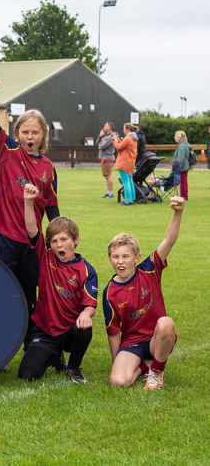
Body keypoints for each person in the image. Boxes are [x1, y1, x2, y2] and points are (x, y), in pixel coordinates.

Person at [0, 73, 59, 333]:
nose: (30, 137)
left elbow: (51, 208)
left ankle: (28, 339)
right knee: (2, 289)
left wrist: (56, 239)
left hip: (32, 241)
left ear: (43, 134)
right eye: (25, 132)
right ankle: (1, 337)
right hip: (4, 236)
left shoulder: (48, 167)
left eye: (35, 132)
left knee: (29, 291)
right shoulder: (8, 152)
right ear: (17, 133)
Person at [18, 184, 98, 383]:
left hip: (70, 330)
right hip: (45, 329)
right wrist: (28, 202)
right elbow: (31, 229)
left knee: (84, 328)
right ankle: (54, 355)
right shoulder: (45, 259)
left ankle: (73, 367)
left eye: (64, 239)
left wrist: (86, 314)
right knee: (28, 374)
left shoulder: (86, 270)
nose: (59, 245)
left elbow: (89, 304)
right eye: (54, 241)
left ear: (75, 241)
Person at [104, 196, 185, 390]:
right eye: (115, 257)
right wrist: (117, 362)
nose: (120, 261)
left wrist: (178, 212)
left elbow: (169, 240)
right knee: (118, 382)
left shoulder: (149, 269)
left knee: (166, 323)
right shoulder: (109, 291)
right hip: (131, 343)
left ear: (136, 257)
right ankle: (143, 366)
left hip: (155, 339)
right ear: (110, 259)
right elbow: (113, 332)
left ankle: (156, 372)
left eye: (125, 256)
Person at [113, 124, 137, 205]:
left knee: (125, 181)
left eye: (123, 128)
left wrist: (115, 140)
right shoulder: (134, 138)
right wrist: (119, 140)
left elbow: (119, 147)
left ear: (127, 129)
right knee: (130, 180)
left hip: (124, 162)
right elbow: (124, 146)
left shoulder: (127, 138)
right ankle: (132, 198)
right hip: (130, 162)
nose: (123, 130)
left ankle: (127, 200)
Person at [97, 122, 116, 198]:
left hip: (107, 158)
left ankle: (110, 193)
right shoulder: (105, 136)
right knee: (106, 176)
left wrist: (101, 138)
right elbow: (98, 143)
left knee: (109, 175)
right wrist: (100, 136)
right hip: (104, 158)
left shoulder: (111, 136)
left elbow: (101, 146)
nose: (104, 127)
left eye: (106, 126)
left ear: (110, 127)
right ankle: (108, 192)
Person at [172, 130, 191, 200]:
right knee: (184, 181)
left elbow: (180, 158)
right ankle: (184, 196)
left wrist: (176, 165)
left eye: (175, 136)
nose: (174, 138)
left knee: (183, 182)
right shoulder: (185, 144)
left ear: (179, 137)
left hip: (182, 167)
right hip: (185, 166)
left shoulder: (182, 146)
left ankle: (184, 196)